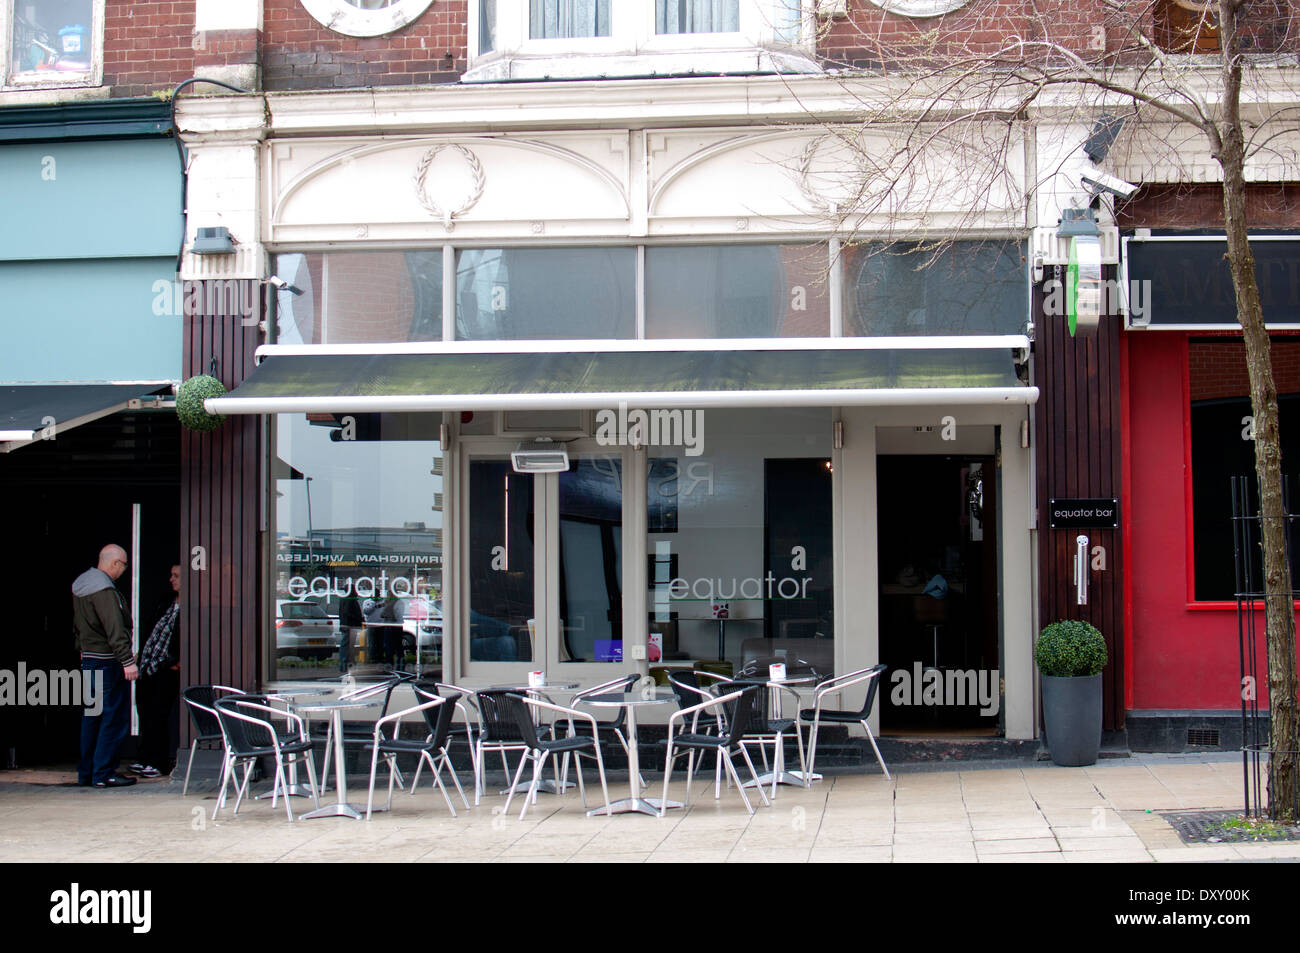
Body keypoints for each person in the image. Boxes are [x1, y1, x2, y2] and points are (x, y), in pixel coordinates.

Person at [72, 544, 138, 788]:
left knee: (92, 716)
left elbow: (78, 626)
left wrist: (81, 649)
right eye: (124, 565)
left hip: (89, 660)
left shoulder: (81, 584)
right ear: (114, 563)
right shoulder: (104, 589)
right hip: (107, 662)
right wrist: (127, 661)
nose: (124, 570)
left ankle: (87, 773)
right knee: (113, 718)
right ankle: (104, 773)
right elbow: (114, 629)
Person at [132, 564, 181, 779]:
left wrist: (176, 662)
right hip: (148, 667)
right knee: (146, 714)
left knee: (159, 716)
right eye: (171, 575)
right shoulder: (166, 602)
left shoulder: (191, 606)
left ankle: (158, 762)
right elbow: (151, 631)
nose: (171, 579)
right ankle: (145, 758)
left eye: (176, 576)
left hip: (165, 669)